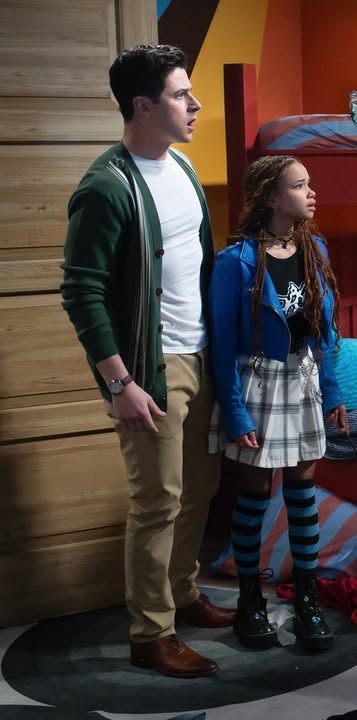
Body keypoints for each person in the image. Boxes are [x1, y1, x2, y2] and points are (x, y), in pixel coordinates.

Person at [60, 44, 234, 679]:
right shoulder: (106, 188)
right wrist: (120, 384)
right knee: (157, 499)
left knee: (199, 490)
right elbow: (81, 292)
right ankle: (151, 634)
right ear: (143, 106)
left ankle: (182, 594)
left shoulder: (182, 168)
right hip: (149, 366)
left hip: (202, 353)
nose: (195, 104)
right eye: (181, 95)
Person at [208, 155, 348, 652]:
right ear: (271, 196)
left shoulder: (315, 250)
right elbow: (222, 343)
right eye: (299, 185)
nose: (311, 193)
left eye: (310, 184)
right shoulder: (236, 261)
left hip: (302, 377)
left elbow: (325, 331)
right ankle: (250, 600)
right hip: (259, 382)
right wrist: (236, 412)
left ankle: (307, 600)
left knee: (303, 493)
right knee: (254, 492)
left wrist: (333, 391)